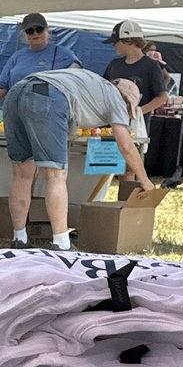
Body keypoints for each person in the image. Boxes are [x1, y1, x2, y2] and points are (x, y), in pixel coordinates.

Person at [4, 68, 154, 250]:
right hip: (49, 95)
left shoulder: (92, 84)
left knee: (22, 173)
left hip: (16, 92)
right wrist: (145, 181)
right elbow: (126, 146)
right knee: (56, 174)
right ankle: (61, 243)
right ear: (125, 98)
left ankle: (19, 238)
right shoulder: (115, 97)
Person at [0, 13, 80, 98]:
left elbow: (76, 83)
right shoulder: (17, 56)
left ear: (47, 30)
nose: (35, 33)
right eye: (30, 30)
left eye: (39, 29)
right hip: (16, 109)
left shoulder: (65, 55)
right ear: (24, 34)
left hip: (49, 109)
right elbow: (3, 87)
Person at [100, 20, 168, 117]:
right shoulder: (114, 64)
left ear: (129, 40)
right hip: (113, 124)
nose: (113, 45)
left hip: (138, 126)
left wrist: (138, 112)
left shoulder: (151, 65)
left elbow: (162, 97)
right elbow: (103, 91)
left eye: (116, 42)